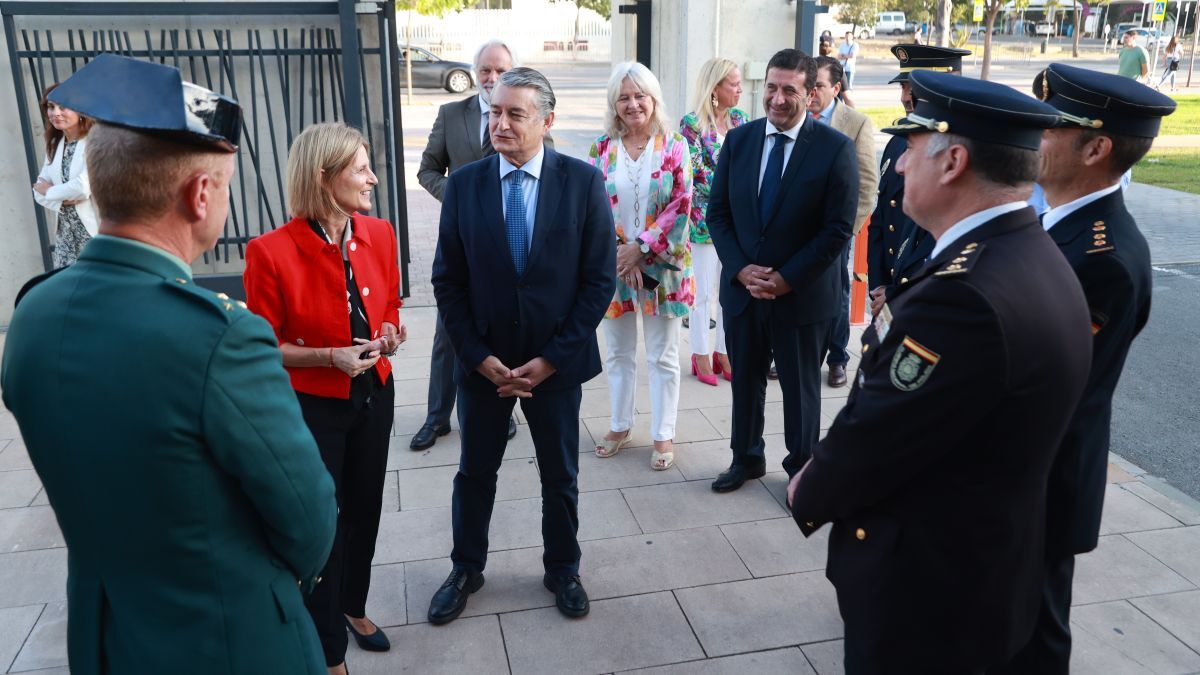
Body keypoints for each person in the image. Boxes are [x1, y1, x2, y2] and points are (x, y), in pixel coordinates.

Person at [1, 54, 337, 675]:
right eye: (227, 185)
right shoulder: (221, 336)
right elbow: (308, 516)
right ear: (200, 194)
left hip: (105, 638)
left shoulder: (32, 314)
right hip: (229, 641)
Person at [787, 70, 1092, 674]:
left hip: (928, 595)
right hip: (979, 573)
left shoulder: (964, 295)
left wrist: (810, 488)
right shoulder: (1026, 250)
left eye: (912, 148)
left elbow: (881, 432)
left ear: (953, 162)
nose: (899, 165)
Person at [994, 63, 1177, 673]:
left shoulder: (1104, 258)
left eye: (1051, 129)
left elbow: (1048, 390)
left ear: (1096, 149)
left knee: (1033, 634)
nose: (1036, 137)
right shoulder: (1059, 223)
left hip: (1041, 480)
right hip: (1023, 476)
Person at [429, 67, 615, 624]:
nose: (500, 124)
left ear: (547, 121)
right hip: (483, 364)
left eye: (515, 114)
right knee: (474, 473)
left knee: (560, 475)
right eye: (495, 112)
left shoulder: (582, 183)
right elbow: (448, 281)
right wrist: (476, 356)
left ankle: (563, 569)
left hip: (554, 364)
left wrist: (552, 358)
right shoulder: (465, 185)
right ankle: (466, 568)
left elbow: (598, 282)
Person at [243, 121, 404, 674]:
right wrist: (328, 357)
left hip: (374, 394)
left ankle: (353, 605)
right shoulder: (269, 251)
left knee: (365, 509)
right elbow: (265, 346)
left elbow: (389, 305)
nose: (373, 178)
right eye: (360, 169)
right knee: (322, 526)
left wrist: (389, 332)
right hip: (313, 408)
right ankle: (329, 649)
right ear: (323, 176)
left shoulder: (380, 232)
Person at [706, 48, 858, 492]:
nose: (776, 98)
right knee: (745, 383)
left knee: (801, 392)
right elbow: (718, 214)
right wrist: (740, 270)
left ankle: (802, 474)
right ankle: (746, 458)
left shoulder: (835, 149)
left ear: (810, 95)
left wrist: (786, 278)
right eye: (771, 87)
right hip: (743, 293)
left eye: (789, 90)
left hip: (802, 296)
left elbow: (837, 229)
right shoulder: (739, 141)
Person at [413, 39, 528, 451]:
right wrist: (460, 196)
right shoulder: (451, 114)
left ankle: (503, 410)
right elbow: (427, 170)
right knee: (449, 331)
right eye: (485, 70)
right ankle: (437, 417)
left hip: (509, 244)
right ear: (475, 72)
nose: (492, 77)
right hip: (462, 242)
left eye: (501, 70)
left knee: (503, 326)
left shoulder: (525, 116)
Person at [589, 62, 694, 470]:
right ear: (614, 104)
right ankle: (620, 425)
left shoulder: (675, 145)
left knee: (663, 356)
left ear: (653, 99)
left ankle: (663, 433)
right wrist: (621, 251)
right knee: (617, 352)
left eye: (640, 96)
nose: (633, 104)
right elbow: (592, 206)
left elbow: (682, 204)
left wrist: (642, 248)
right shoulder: (602, 148)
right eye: (624, 98)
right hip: (615, 266)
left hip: (662, 270)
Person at [867, 45, 970, 316]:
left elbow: (940, 240)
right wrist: (879, 285)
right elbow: (881, 219)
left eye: (911, 89)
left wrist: (897, 292)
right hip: (889, 293)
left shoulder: (958, 149)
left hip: (923, 297)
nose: (904, 98)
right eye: (903, 88)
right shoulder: (897, 143)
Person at [810, 56, 877, 388]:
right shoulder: (792, 116)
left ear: (836, 88)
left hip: (835, 230)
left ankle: (837, 357)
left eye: (818, 86)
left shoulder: (856, 123)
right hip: (793, 228)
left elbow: (867, 184)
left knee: (836, 292)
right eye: (808, 84)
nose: (810, 92)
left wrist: (845, 230)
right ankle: (797, 353)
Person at [679, 58, 746, 387]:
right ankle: (700, 354)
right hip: (703, 223)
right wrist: (733, 184)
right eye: (734, 83)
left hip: (737, 222)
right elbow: (696, 173)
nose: (740, 89)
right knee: (703, 292)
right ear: (716, 87)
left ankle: (724, 351)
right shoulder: (692, 124)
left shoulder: (740, 119)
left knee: (729, 291)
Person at [32, 84, 98, 268]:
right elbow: (37, 191)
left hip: (93, 235)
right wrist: (62, 199)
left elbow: (82, 187)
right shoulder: (55, 144)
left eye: (63, 107)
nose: (56, 113)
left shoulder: (94, 142)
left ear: (80, 110)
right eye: (51, 107)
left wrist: (50, 192)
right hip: (65, 238)